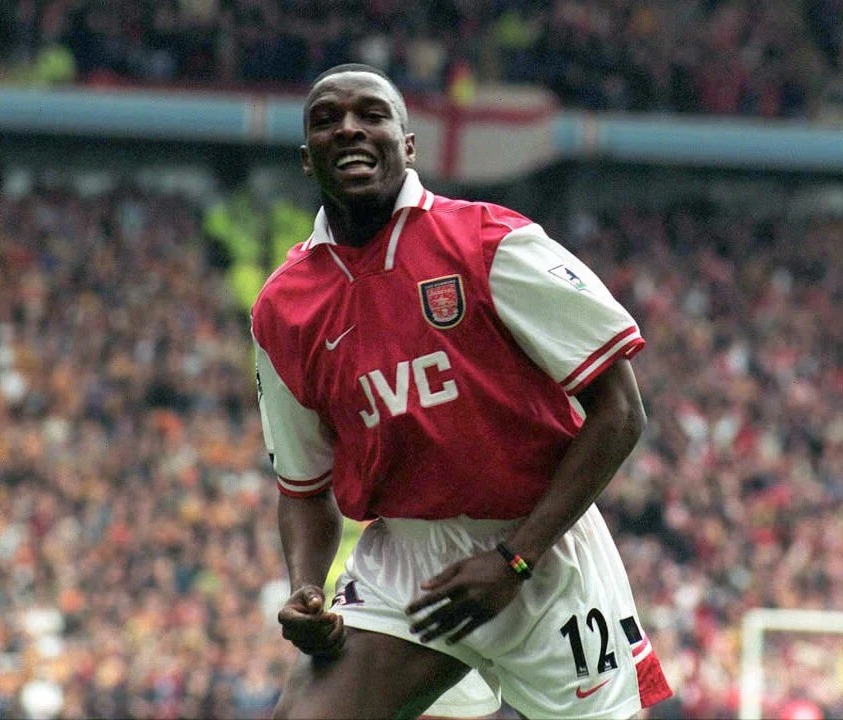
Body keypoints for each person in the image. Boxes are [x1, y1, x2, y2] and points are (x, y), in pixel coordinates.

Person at [251, 62, 674, 719]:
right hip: (405, 562)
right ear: (308, 159)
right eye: (326, 121)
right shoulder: (283, 308)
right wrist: (307, 591)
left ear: (407, 144)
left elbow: (620, 411)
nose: (350, 129)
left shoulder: (492, 243)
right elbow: (302, 490)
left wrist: (513, 561)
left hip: (543, 552)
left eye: (371, 114)